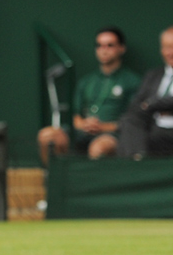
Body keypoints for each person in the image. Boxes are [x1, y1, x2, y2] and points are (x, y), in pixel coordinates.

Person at [37, 27, 141, 163]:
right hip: (81, 133)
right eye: (99, 45)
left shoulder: (133, 81)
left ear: (121, 48)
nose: (104, 50)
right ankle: (54, 181)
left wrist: (102, 127)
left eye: (110, 45)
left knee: (98, 148)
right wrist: (84, 125)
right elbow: (75, 117)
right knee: (46, 136)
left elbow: (134, 120)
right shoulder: (87, 81)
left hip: (112, 135)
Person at [118, 27, 173, 160]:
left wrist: (152, 104)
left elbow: (149, 104)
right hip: (153, 127)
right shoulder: (152, 76)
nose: (170, 52)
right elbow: (136, 106)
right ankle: (138, 163)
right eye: (166, 47)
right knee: (129, 120)